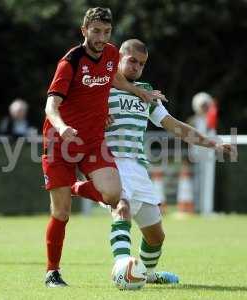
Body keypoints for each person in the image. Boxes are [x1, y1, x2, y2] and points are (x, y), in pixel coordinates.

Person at [72, 39, 237, 284]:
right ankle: (121, 268)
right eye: (132, 60)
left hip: (138, 167)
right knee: (122, 208)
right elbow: (74, 112)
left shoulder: (146, 92)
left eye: (142, 63)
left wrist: (212, 143)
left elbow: (173, 125)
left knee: (155, 236)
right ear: (118, 58)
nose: (137, 66)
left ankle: (147, 274)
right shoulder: (101, 86)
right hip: (109, 163)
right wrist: (95, 115)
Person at [42, 7, 164, 287]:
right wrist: (62, 128)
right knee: (61, 213)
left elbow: (115, 78)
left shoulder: (110, 54)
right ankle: (52, 272)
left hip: (93, 140)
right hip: (60, 142)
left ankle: (76, 187)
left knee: (112, 194)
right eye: (95, 31)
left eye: (106, 32)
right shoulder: (70, 62)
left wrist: (139, 91)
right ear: (84, 31)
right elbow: (51, 105)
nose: (101, 37)